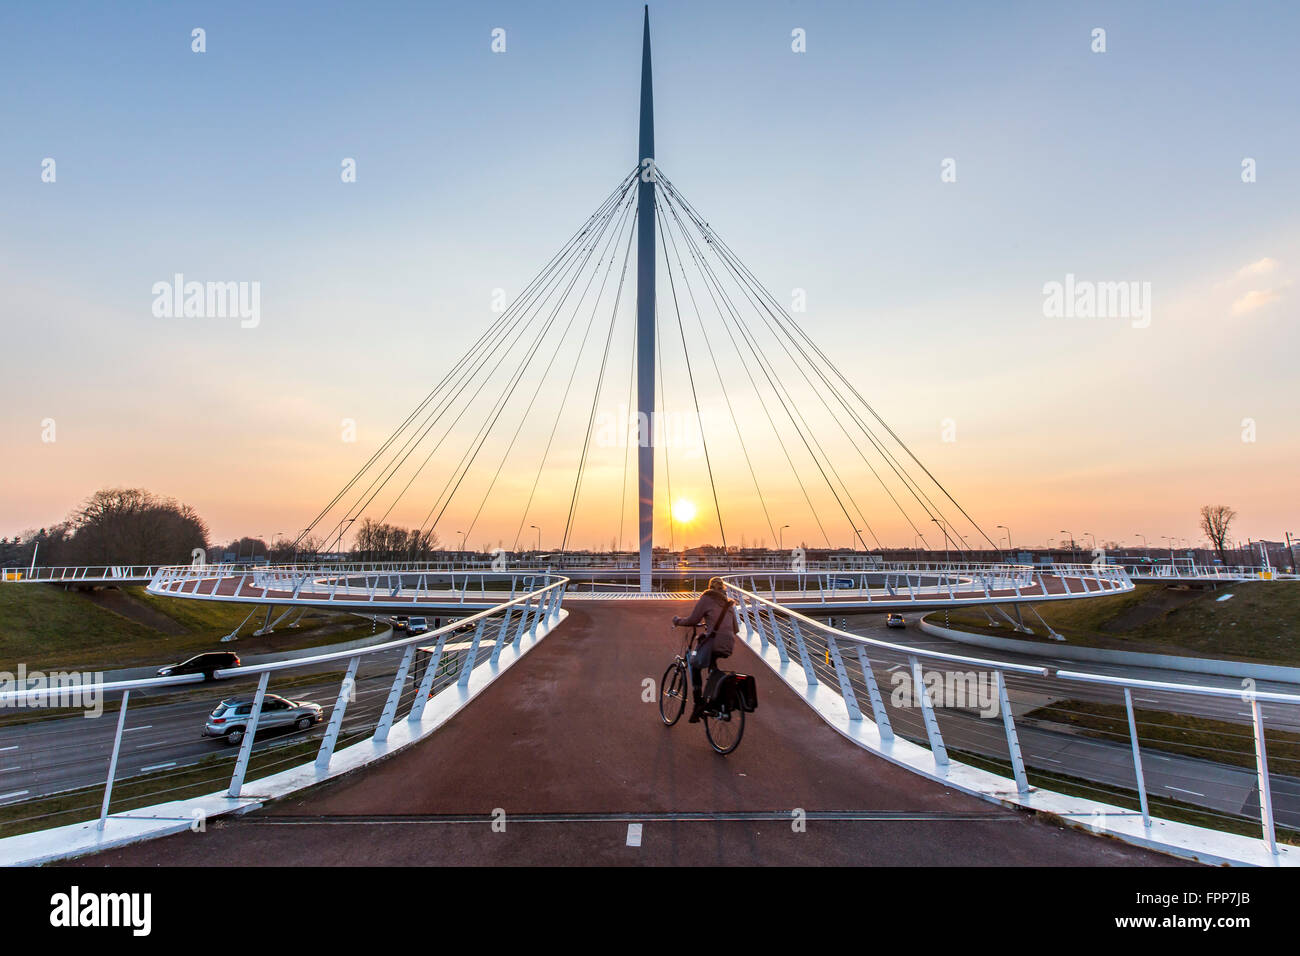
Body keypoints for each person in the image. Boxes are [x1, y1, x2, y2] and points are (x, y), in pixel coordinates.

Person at [671, 576, 738, 722]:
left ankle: (698, 703)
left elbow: (693, 620)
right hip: (729, 644)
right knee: (711, 663)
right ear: (723, 589)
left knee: (695, 665)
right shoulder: (728, 603)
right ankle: (715, 698)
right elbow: (736, 629)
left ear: (710, 587)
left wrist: (678, 621)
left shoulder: (707, 598)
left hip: (714, 642)